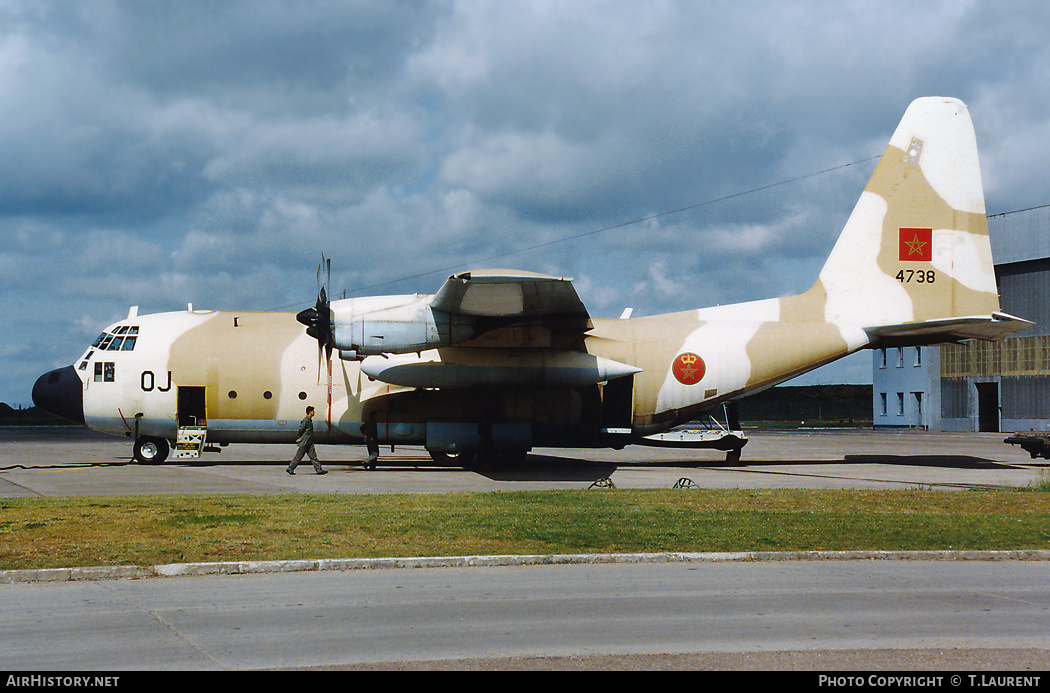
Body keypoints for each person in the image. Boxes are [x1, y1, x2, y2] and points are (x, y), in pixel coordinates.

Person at [287, 406, 326, 475]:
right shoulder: (306, 420)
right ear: (310, 412)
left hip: (309, 442)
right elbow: (300, 430)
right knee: (298, 457)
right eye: (313, 411)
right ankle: (290, 468)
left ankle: (319, 470)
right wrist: (301, 438)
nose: (314, 412)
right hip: (305, 442)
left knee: (313, 457)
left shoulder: (309, 420)